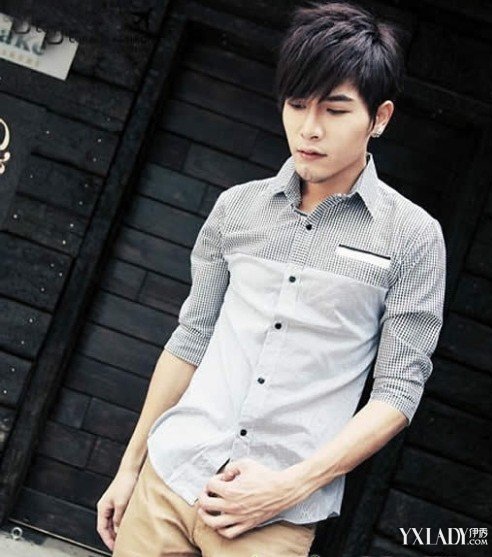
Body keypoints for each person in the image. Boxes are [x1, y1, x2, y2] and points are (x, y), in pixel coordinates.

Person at [97, 1, 447, 555]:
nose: (310, 129)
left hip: (273, 517)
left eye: (335, 110)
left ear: (379, 118)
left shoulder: (413, 237)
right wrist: (129, 467)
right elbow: (190, 340)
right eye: (297, 105)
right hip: (169, 479)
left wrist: (289, 487)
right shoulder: (236, 209)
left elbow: (399, 391)